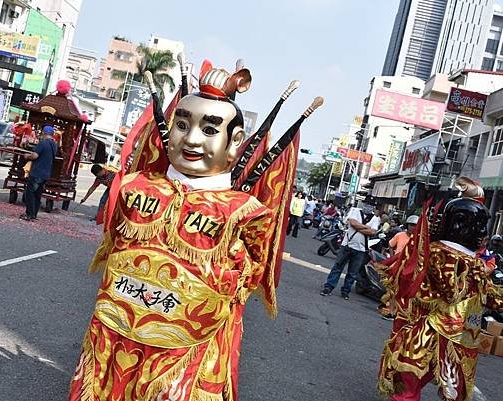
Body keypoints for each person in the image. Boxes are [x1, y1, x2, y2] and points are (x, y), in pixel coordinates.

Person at [67, 62, 313, 400]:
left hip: (187, 343)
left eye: (210, 130)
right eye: (182, 124)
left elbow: (248, 276)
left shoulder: (244, 212)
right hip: (117, 327)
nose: (192, 139)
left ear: (234, 141)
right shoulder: (135, 186)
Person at [377, 178, 503, 401]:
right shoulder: (439, 253)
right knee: (408, 387)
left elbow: (486, 296)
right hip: (432, 333)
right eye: (479, 224)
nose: (483, 232)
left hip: (462, 337)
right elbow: (452, 290)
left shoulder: (470, 259)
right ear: (460, 223)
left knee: (456, 393)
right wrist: (478, 271)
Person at [320, 204, 381, 300]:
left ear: (373, 208)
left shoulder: (375, 218)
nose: (368, 207)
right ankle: (328, 287)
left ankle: (345, 291)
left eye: (370, 205)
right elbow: (352, 223)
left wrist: (358, 226)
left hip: (361, 248)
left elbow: (372, 232)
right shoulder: (355, 211)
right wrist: (366, 227)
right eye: (367, 204)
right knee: (338, 267)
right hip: (347, 245)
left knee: (353, 272)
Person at [379, 214, 418, 320]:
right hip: (396, 266)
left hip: (408, 269)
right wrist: (393, 257)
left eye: (415, 225)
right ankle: (390, 311)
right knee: (392, 289)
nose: (413, 227)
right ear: (407, 225)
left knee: (402, 291)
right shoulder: (400, 235)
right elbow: (390, 246)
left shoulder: (418, 239)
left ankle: (395, 311)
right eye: (411, 225)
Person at [19, 125, 58, 221]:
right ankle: (34, 215)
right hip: (46, 174)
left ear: (44, 133)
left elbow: (34, 156)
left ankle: (29, 214)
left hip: (37, 172)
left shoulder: (43, 143)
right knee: (37, 195)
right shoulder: (54, 145)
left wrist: (27, 156)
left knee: (30, 193)